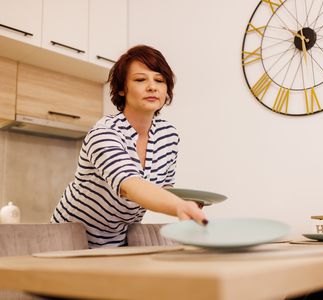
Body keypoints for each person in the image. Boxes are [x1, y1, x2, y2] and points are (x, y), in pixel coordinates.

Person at [51, 45, 207, 248]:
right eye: (140, 79)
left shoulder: (168, 136)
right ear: (122, 89)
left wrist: (188, 203)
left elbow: (165, 187)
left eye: (159, 80)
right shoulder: (105, 132)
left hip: (119, 238)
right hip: (69, 237)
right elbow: (130, 186)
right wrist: (178, 206)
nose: (152, 87)